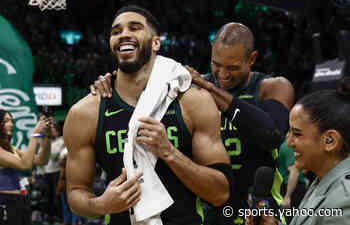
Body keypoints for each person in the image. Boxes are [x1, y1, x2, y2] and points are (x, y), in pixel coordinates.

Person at [92, 22, 295, 224]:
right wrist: (110, 82)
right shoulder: (193, 90)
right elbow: (140, 87)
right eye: (216, 64)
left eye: (232, 67)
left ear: (252, 59)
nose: (223, 74)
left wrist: (209, 87)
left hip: (259, 209)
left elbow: (272, 135)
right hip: (210, 211)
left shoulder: (272, 87)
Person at [63, 5, 232, 225]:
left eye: (134, 28)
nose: (124, 34)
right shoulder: (84, 113)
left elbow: (219, 193)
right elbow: (76, 192)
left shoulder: (192, 102)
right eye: (116, 31)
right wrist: (102, 205)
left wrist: (169, 152)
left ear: (155, 43)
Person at [246, 76, 350, 225]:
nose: (288, 142)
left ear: (330, 140)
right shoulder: (325, 181)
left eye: (297, 133)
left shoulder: (345, 197)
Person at [0, 109, 53, 225]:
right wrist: (35, 134)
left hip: (18, 200)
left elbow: (41, 160)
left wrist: (47, 137)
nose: (11, 124)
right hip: (4, 201)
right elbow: (25, 164)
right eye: (6, 121)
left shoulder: (11, 148)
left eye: (11, 121)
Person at [35, 120, 65, 225]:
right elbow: (40, 159)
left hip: (57, 173)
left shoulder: (62, 141)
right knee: (47, 198)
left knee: (57, 198)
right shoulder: (46, 142)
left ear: (57, 131)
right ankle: (49, 218)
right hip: (46, 174)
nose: (50, 131)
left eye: (52, 129)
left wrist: (45, 146)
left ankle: (59, 218)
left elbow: (55, 155)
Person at [278, 140, 307, 224]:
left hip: (292, 190)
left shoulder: (288, 146)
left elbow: (294, 171)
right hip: (292, 188)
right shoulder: (288, 145)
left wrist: (287, 197)